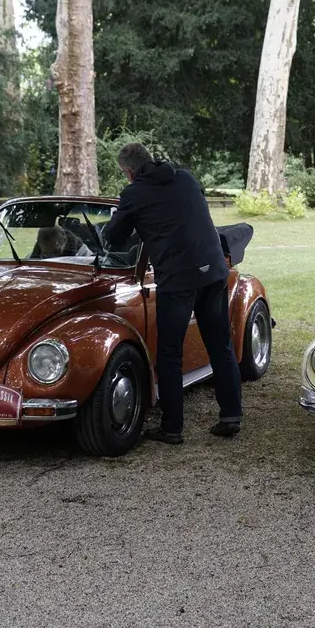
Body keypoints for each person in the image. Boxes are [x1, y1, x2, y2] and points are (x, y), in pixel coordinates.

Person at [103, 142, 242, 444]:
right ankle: (231, 415)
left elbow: (115, 237)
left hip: (178, 278)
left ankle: (172, 427)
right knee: (220, 345)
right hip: (213, 270)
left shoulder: (134, 193)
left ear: (129, 172)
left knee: (169, 353)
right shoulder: (186, 178)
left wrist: (118, 223)